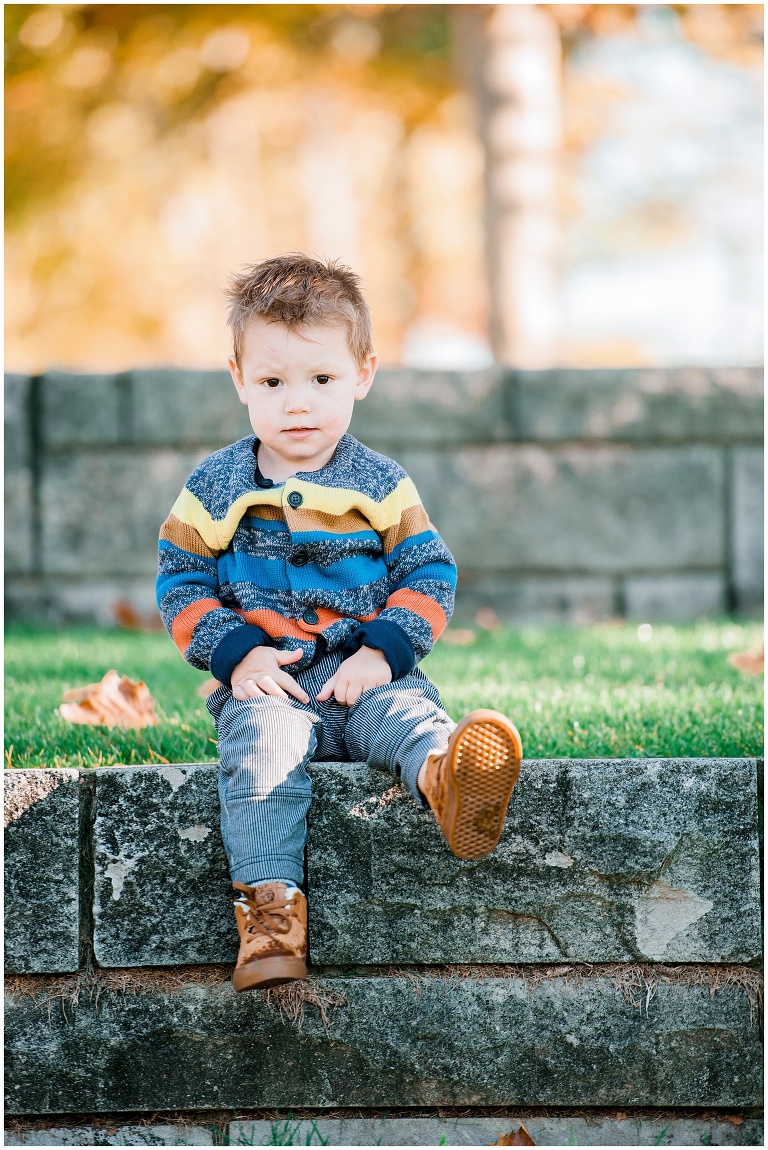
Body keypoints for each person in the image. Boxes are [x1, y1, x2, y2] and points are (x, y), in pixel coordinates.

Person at [157, 254, 522, 991]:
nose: (298, 403)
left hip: (366, 674)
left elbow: (429, 575)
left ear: (362, 373)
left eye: (321, 380)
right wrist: (240, 658)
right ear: (239, 381)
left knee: (405, 718)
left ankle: (446, 778)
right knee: (260, 752)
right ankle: (270, 919)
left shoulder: (379, 484)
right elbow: (181, 580)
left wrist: (383, 656)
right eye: (272, 382)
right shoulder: (215, 486)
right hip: (272, 685)